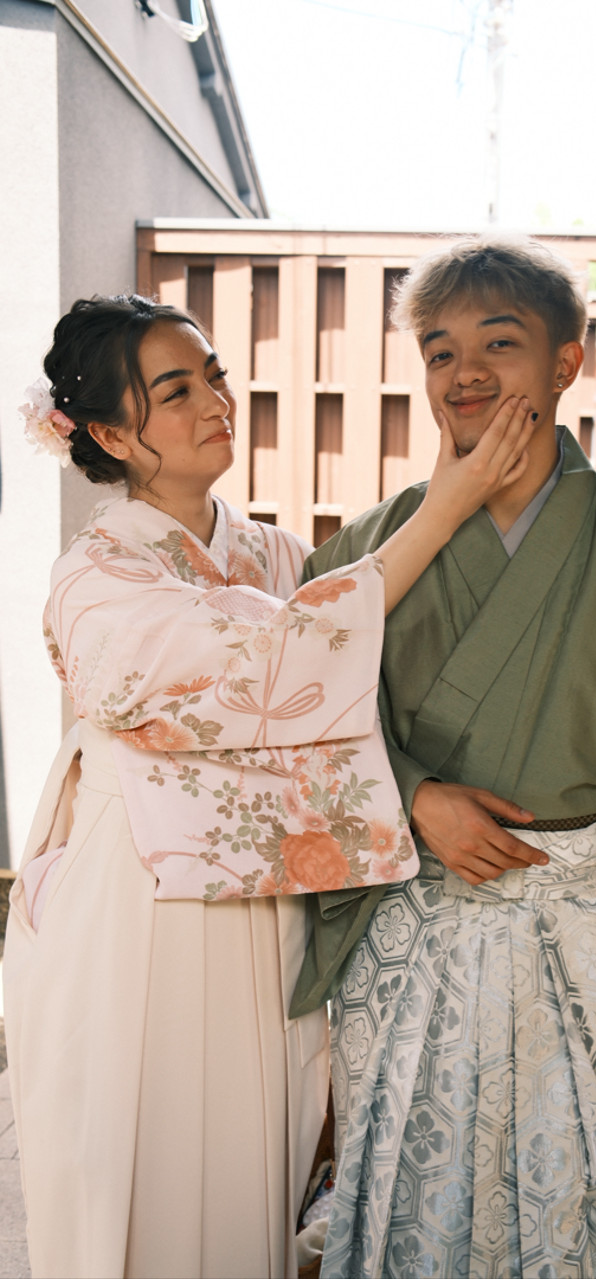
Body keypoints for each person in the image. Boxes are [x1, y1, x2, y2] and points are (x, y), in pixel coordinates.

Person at [2, 293, 538, 1279]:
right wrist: (446, 503)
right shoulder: (95, 578)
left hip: (267, 898)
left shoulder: (276, 554)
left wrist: (419, 787)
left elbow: (357, 673)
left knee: (257, 1154)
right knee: (143, 1152)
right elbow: (278, 657)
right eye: (176, 391)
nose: (216, 402)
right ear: (112, 435)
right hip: (139, 902)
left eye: (214, 376)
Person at [290, 235, 596, 1278]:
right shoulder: (360, 555)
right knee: (411, 1197)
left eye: (498, 342)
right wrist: (412, 794)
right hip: (411, 929)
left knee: (575, 1200)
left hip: (588, 935)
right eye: (439, 351)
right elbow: (301, 723)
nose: (465, 372)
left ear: (566, 361)